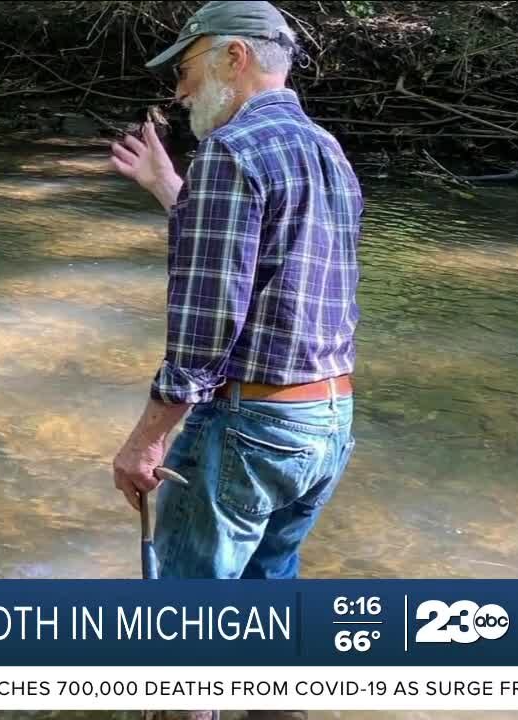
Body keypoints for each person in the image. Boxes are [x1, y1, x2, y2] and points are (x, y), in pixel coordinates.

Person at [110, 0, 362, 584]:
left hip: (253, 427)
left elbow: (207, 328)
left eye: (185, 69)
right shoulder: (327, 148)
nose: (180, 92)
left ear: (234, 55)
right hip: (327, 423)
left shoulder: (232, 150)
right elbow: (271, 263)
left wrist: (146, 442)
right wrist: (172, 189)